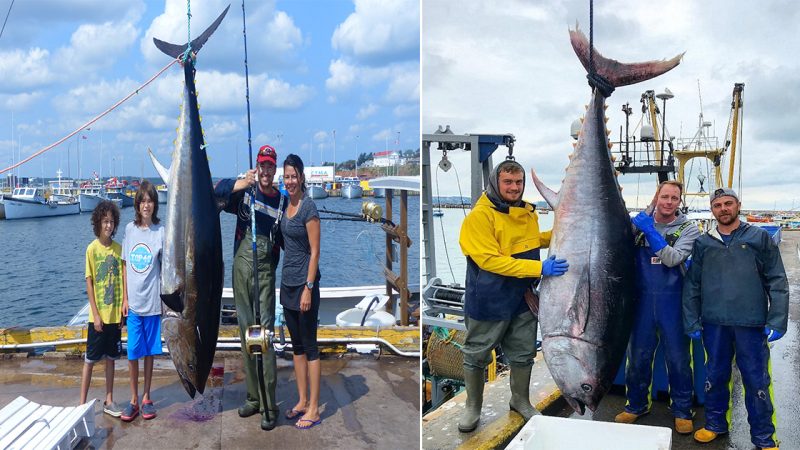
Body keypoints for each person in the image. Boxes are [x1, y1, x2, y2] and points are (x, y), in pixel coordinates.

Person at [457, 159, 568, 432]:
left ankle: (520, 399)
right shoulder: (479, 217)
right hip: (489, 297)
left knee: (523, 353)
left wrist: (563, 234)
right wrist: (540, 267)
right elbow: (491, 261)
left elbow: (528, 241)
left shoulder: (525, 212)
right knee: (477, 354)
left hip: (522, 296)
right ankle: (473, 407)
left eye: (518, 182)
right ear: (496, 182)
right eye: (508, 182)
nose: (514, 188)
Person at [683, 188, 788, 449]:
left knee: (757, 381)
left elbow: (777, 280)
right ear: (712, 210)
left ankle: (765, 437)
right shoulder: (703, 243)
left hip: (751, 324)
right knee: (714, 377)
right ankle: (715, 424)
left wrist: (776, 319)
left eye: (728, 203)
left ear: (738, 205)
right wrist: (692, 320)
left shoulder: (759, 237)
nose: (723, 209)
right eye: (717, 205)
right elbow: (692, 285)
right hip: (714, 323)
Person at [615, 180, 700, 434]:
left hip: (673, 303)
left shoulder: (689, 228)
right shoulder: (637, 225)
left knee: (679, 359)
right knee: (638, 357)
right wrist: (634, 227)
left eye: (674, 198)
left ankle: (683, 410)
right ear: (657, 197)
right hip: (641, 303)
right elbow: (616, 247)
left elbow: (673, 259)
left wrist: (649, 231)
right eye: (665, 197)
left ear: (679, 201)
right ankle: (636, 405)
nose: (669, 202)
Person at [214, 144, 286, 431]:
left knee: (264, 336)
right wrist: (240, 182)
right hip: (241, 271)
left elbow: (281, 243)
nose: (266, 171)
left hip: (265, 273)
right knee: (247, 335)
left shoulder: (281, 201)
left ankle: (269, 405)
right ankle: (253, 398)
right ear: (257, 167)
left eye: (270, 166)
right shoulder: (245, 192)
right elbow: (216, 193)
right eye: (262, 166)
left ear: (275, 169)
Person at [279, 154, 322, 430]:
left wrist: (308, 287)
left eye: (294, 176)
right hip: (287, 284)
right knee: (295, 347)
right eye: (287, 176)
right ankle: (302, 400)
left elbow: (315, 251)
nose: (290, 181)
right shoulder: (286, 205)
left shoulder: (309, 207)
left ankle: (315, 408)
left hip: (306, 286)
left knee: (310, 347)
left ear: (302, 177)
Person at [120, 180, 164, 422]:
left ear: (155, 204)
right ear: (137, 205)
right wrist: (125, 298)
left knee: (149, 353)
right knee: (133, 353)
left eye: (150, 201)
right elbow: (125, 263)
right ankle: (133, 399)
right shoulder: (129, 229)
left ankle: (147, 397)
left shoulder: (161, 231)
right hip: (135, 304)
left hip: (153, 303)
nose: (146, 205)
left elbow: (167, 266)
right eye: (143, 201)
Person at [79, 200, 124, 418]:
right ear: (98, 223)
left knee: (111, 359)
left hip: (115, 317)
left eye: (112, 221)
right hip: (97, 318)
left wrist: (124, 307)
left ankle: (109, 399)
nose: (108, 225)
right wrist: (95, 314)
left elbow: (123, 281)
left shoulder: (118, 250)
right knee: (90, 360)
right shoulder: (91, 249)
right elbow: (89, 282)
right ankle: (81, 404)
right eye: (105, 221)